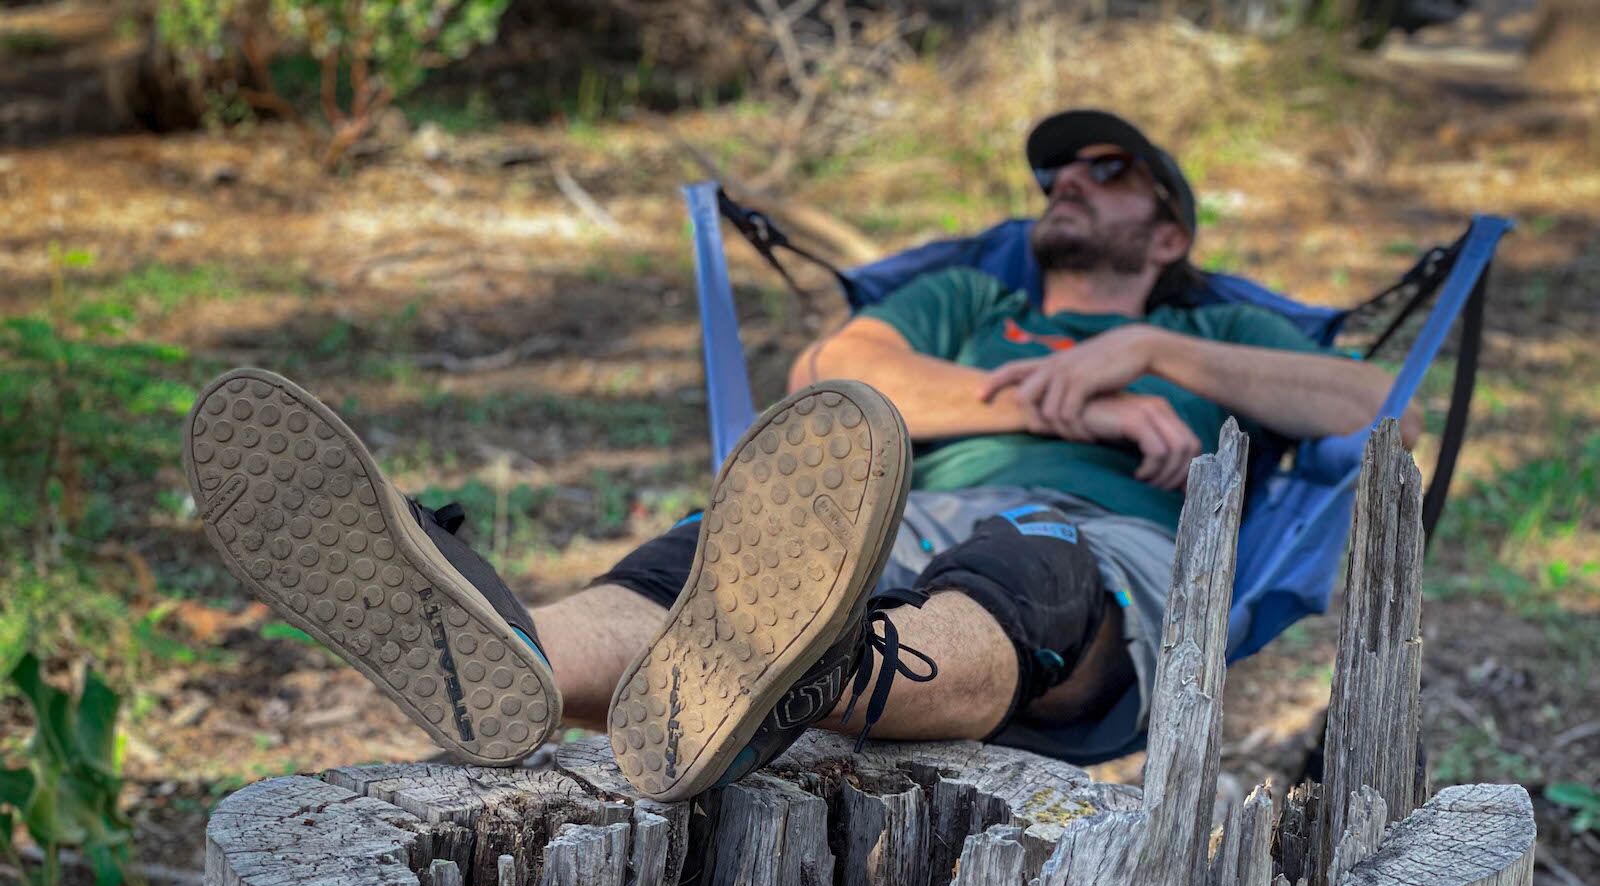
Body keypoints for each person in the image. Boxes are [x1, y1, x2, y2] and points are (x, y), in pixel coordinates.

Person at [183, 109, 1409, 804]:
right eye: (1052, 173)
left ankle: (801, 677)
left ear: (1169, 228)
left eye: (1107, 170)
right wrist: (1057, 405)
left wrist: (1153, 353)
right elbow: (832, 379)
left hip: (1097, 546)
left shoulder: (1206, 329)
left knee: (1027, 572)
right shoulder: (969, 302)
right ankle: (507, 653)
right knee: (711, 552)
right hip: (885, 517)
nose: (1066, 184)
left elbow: (1375, 396)